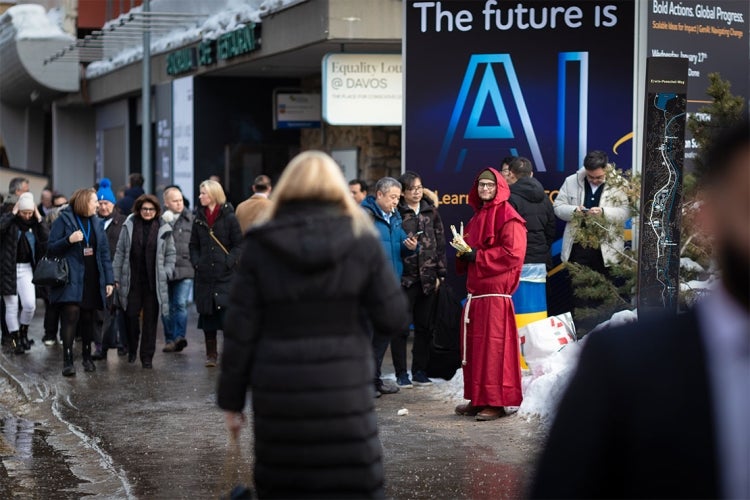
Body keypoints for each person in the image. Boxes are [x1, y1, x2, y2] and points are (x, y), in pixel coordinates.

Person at [530, 120, 750, 499]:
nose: (595, 176)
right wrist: (580, 210)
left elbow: (622, 213)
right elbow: (560, 208)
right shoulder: (623, 366)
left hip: (607, 251)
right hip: (578, 251)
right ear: (709, 215)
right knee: (581, 305)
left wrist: (602, 215)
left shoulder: (615, 185)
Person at [218, 151, 409, 498]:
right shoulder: (360, 240)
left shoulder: (261, 244)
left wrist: (232, 401)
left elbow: (239, 328)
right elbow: (393, 316)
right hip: (345, 385)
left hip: (279, 390)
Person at [454, 168, 526, 421]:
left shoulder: (509, 216)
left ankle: (496, 402)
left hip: (495, 296)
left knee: (494, 350)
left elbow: (513, 254)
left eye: (490, 185)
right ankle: (478, 398)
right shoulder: (476, 218)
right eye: (481, 184)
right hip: (477, 295)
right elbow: (471, 251)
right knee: (476, 349)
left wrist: (478, 256)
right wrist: (464, 253)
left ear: (499, 187)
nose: (485, 189)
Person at [47, 188, 114, 377]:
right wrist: (68, 240)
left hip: (92, 276)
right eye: (95, 202)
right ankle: (68, 361)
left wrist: (109, 280)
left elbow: (104, 254)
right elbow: (51, 249)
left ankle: (87, 357)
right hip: (70, 276)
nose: (98, 205)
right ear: (85, 202)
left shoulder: (97, 222)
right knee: (70, 317)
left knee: (87, 318)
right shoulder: (63, 220)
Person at [361, 177, 418, 391]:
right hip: (370, 287)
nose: (396, 201)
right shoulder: (364, 216)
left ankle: (374, 380)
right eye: (393, 197)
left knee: (382, 336)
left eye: (397, 197)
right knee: (367, 336)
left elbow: (400, 245)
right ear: (380, 194)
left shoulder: (393, 216)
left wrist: (411, 246)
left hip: (390, 286)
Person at [396, 170, 448, 387]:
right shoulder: (397, 213)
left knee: (424, 326)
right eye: (411, 189)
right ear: (402, 193)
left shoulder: (430, 211)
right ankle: (401, 373)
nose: (416, 193)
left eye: (419, 188)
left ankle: (419, 370)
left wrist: (440, 274)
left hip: (428, 277)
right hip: (404, 279)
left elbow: (440, 243)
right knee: (399, 327)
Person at [112, 195, 175, 369]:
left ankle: (147, 357)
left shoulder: (164, 228)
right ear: (139, 209)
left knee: (150, 320)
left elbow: (171, 254)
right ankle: (132, 347)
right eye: (144, 209)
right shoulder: (129, 225)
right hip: (132, 280)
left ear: (156, 211)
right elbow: (120, 253)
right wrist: (116, 277)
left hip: (153, 282)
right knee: (130, 315)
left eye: (151, 209)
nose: (147, 212)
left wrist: (167, 272)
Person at [189, 179, 242, 367]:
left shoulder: (229, 217)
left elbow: (238, 244)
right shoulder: (198, 218)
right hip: (205, 276)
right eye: (200, 193)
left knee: (228, 318)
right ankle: (211, 355)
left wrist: (229, 262)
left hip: (226, 276)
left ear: (213, 194)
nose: (200, 196)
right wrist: (196, 263)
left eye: (203, 193)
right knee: (208, 317)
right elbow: (193, 245)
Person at [506, 157, 556, 324]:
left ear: (511, 175)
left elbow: (507, 234)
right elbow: (551, 231)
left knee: (517, 314)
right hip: (540, 261)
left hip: (517, 262)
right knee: (537, 312)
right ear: (532, 174)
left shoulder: (509, 199)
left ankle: (517, 350)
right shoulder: (545, 198)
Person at [0, 192, 48, 354]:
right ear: (18, 210)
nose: (27, 216)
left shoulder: (34, 224)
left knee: (29, 305)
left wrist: (38, 216)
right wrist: (12, 213)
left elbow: (46, 238)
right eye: (24, 212)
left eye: (29, 212)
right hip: (8, 269)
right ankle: (14, 341)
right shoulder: (10, 222)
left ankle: (23, 334)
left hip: (27, 268)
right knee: (11, 307)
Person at [91, 178, 127, 359]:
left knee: (118, 310)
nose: (103, 207)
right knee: (100, 312)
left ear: (113, 204)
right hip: (98, 274)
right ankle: (100, 347)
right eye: (100, 203)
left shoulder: (123, 223)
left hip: (117, 273)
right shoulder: (93, 222)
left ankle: (121, 343)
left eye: (106, 203)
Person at [160, 186, 194, 353]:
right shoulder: (161, 221)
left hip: (186, 268)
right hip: (165, 270)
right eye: (175, 201)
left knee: (180, 304)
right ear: (166, 203)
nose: (179, 204)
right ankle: (169, 339)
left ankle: (179, 337)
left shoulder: (191, 219)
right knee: (166, 306)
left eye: (181, 200)